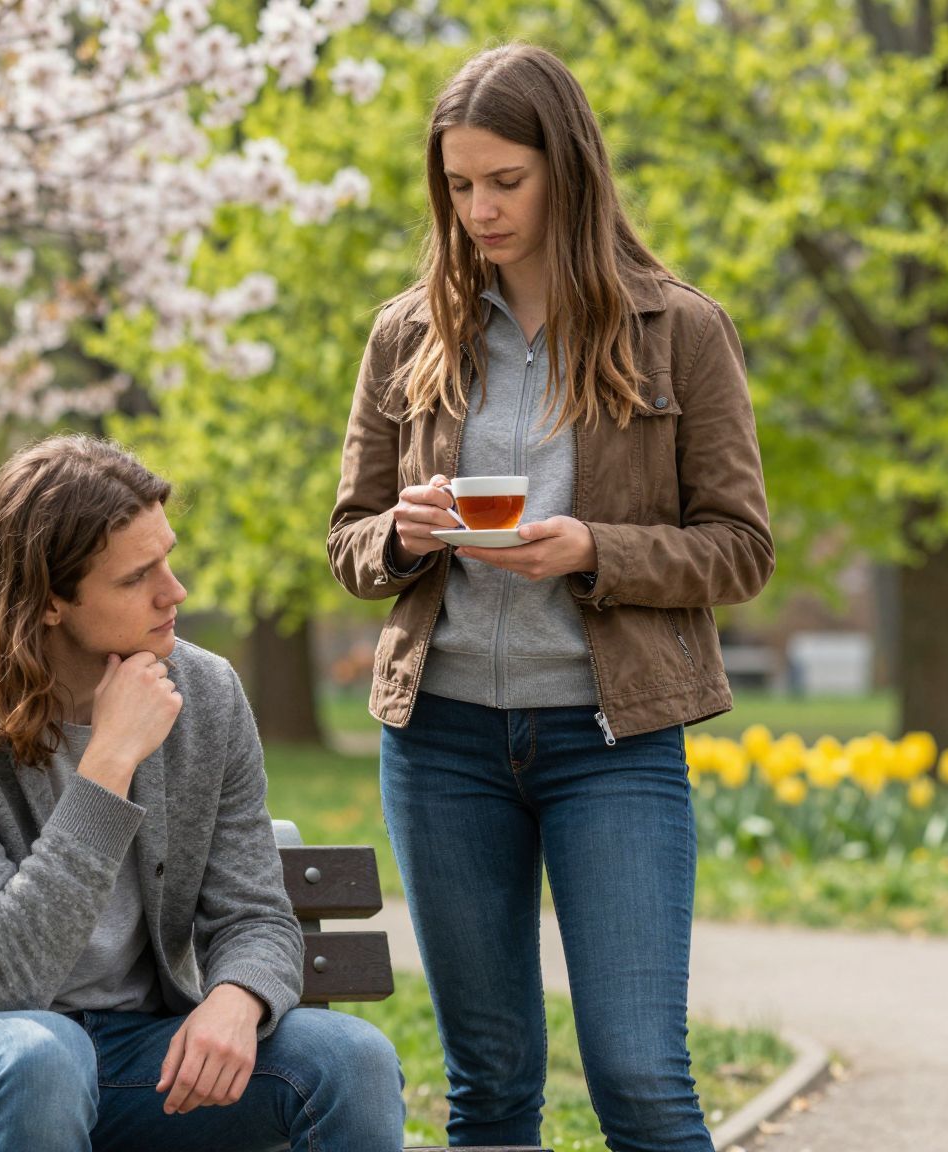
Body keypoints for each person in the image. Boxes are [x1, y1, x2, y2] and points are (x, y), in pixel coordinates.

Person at [327, 43, 774, 1152]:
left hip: (609, 742)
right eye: (458, 185)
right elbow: (348, 538)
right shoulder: (406, 332)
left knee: (638, 1077)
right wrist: (405, 536)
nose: (477, 208)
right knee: (488, 1085)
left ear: (567, 169)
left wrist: (592, 551)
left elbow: (740, 549)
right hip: (440, 745)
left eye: (504, 182)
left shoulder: (681, 328)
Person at [0, 434, 403, 1152]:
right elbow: (9, 974)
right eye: (136, 576)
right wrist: (109, 761)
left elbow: (255, 914)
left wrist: (238, 998)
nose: (173, 592)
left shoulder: (204, 693)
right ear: (49, 601)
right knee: (45, 1059)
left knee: (350, 1062)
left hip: (144, 1054)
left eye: (167, 558)